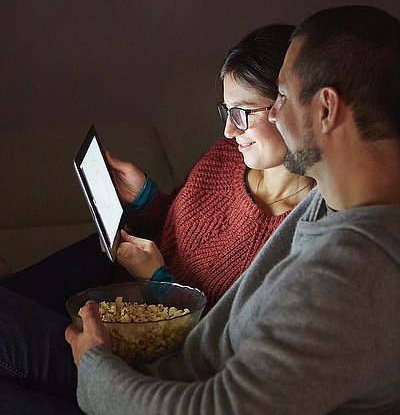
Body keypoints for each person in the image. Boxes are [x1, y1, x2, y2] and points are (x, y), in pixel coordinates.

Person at [1, 5, 399, 415]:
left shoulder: (351, 273)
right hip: (145, 382)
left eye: (283, 97)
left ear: (326, 109)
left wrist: (96, 366)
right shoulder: (335, 199)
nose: (269, 113)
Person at [0, 24, 313, 314]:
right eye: (227, 111)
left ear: (291, 104)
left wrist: (155, 279)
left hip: (141, 331)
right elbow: (181, 230)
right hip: (114, 275)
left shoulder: (301, 231)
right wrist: (145, 198)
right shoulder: (227, 157)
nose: (230, 130)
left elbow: (218, 337)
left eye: (243, 112)